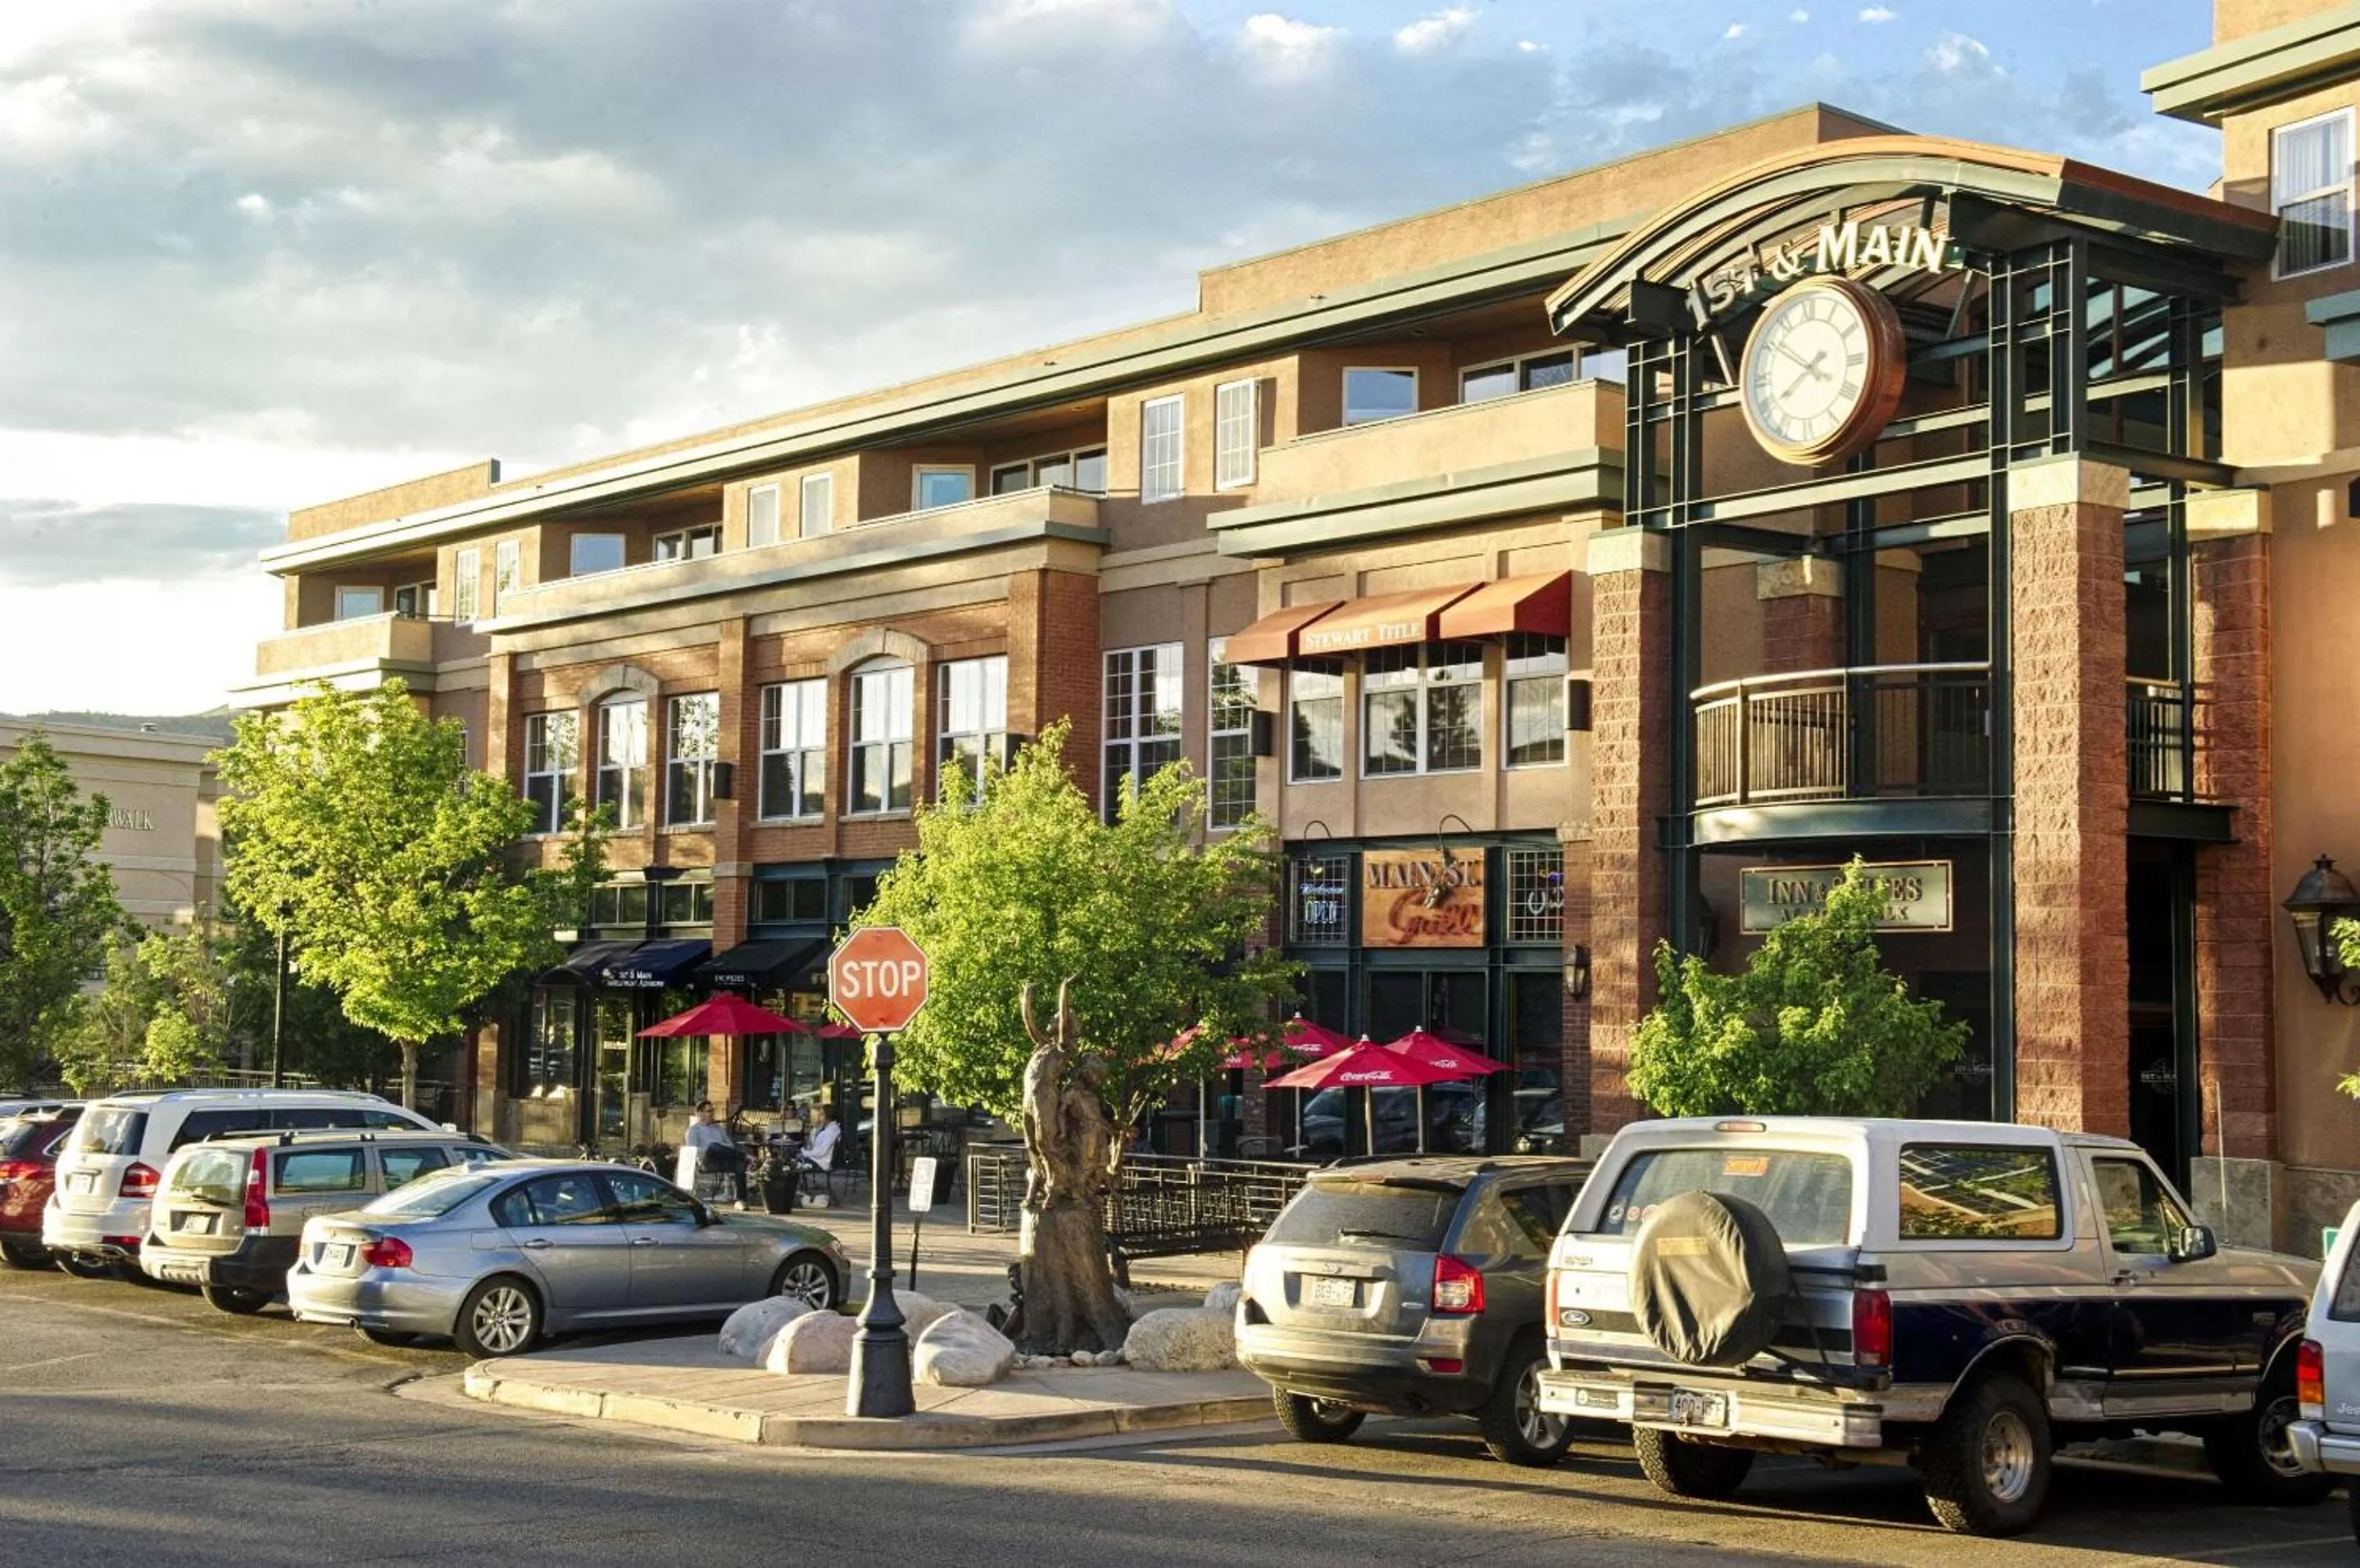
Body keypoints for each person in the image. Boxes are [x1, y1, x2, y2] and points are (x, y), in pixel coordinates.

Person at [676, 1101, 737, 1196]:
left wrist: (719, 1147)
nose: (712, 1114)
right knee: (718, 1150)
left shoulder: (718, 1128)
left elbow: (731, 1145)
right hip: (707, 1161)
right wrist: (711, 1149)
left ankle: (738, 1197)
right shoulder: (694, 1130)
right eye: (709, 1111)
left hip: (723, 1157)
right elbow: (692, 1151)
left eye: (712, 1111)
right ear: (700, 1114)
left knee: (739, 1163)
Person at [800, 1103, 842, 1208]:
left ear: (828, 1116)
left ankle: (802, 1192)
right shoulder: (826, 1129)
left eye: (822, 1114)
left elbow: (821, 1152)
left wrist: (805, 1153)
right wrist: (816, 1129)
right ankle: (802, 1191)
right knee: (795, 1158)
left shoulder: (831, 1132)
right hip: (817, 1159)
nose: (819, 1117)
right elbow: (813, 1144)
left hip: (820, 1163)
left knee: (795, 1162)